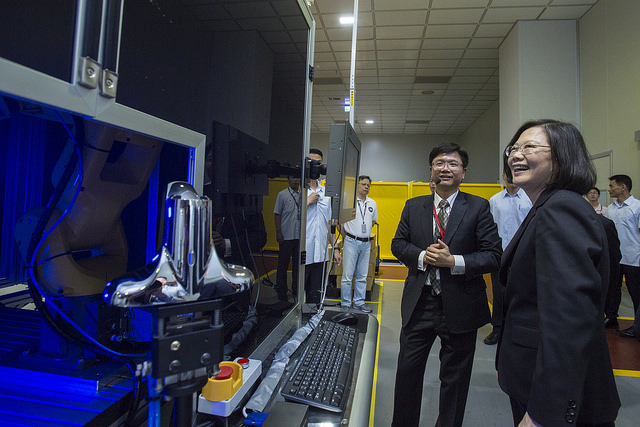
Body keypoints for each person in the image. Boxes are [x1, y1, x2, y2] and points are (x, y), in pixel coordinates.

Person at [496, 119, 620, 427]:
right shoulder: (547, 207)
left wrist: (544, 413)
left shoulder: (561, 209)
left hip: (552, 397)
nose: (516, 155)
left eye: (529, 147)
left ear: (562, 157)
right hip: (532, 377)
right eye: (514, 148)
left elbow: (570, 318)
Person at [390, 142, 502, 427]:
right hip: (420, 302)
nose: (445, 168)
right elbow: (398, 244)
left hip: (461, 304)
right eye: (439, 163)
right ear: (431, 170)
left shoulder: (478, 207)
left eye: (453, 164)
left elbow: (493, 255)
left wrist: (454, 261)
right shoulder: (414, 206)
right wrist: (421, 256)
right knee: (407, 373)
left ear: (463, 172)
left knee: (455, 380)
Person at [484, 171, 531, 345]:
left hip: (522, 254)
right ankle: (497, 328)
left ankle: (519, 329)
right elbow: (488, 227)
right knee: (498, 294)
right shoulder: (494, 200)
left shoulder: (529, 199)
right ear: (504, 176)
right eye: (508, 174)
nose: (511, 178)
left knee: (522, 293)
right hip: (499, 254)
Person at [605, 174, 640, 337]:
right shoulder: (610, 209)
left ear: (623, 187)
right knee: (613, 290)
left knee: (636, 293)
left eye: (612, 186)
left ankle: (637, 325)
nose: (609, 189)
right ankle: (611, 318)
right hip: (615, 258)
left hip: (633, 258)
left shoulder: (637, 207)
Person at [305, 148, 341, 304]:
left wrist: (336, 249)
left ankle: (314, 315)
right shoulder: (299, 191)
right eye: (311, 162)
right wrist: (306, 202)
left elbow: (329, 224)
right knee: (299, 290)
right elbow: (292, 220)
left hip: (320, 252)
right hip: (303, 251)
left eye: (318, 163)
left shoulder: (326, 193)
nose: (315, 166)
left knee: (316, 292)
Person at [340, 175, 378, 313]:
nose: (366, 187)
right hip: (351, 241)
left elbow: (373, 221)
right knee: (347, 275)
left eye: (368, 185)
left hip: (366, 243)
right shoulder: (348, 201)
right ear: (357, 185)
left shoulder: (372, 203)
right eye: (363, 184)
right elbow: (340, 223)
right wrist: (348, 237)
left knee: (362, 275)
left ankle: (359, 302)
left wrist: (363, 233)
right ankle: (345, 303)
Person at [273, 175, 301, 301]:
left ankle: (296, 290)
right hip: (286, 236)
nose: (296, 180)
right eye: (293, 178)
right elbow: (277, 214)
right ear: (288, 180)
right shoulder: (282, 195)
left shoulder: (303, 195)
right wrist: (278, 232)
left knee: (297, 266)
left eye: (297, 178)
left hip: (299, 236)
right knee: (283, 265)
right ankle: (282, 292)